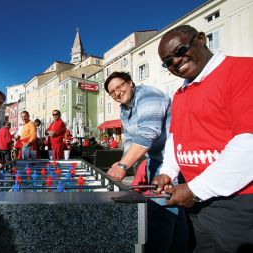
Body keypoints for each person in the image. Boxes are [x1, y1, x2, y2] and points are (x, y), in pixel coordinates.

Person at [153, 25, 253, 253]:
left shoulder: (243, 69)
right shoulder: (180, 94)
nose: (175, 62)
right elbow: (175, 138)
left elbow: (248, 144)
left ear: (201, 39)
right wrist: (168, 171)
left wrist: (196, 189)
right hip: (196, 200)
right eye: (167, 61)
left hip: (237, 202)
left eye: (179, 51)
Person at [104, 71, 187, 253]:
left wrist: (123, 166)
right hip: (155, 159)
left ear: (130, 83)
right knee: (176, 215)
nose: (118, 92)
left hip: (171, 160)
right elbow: (129, 141)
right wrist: (122, 163)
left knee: (161, 214)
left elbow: (147, 133)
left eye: (120, 86)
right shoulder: (124, 108)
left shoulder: (148, 95)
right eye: (112, 92)